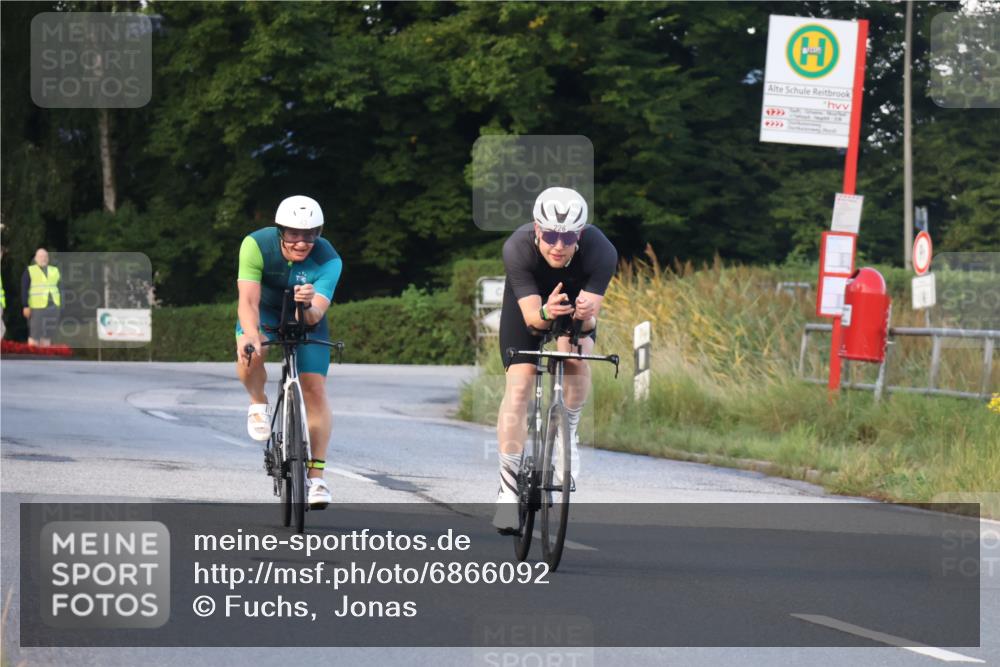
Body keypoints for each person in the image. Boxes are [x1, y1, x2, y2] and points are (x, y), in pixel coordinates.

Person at [492, 187, 617, 532]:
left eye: (567, 237)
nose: (558, 246)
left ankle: (568, 432)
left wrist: (584, 316)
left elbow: (589, 323)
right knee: (519, 386)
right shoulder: (517, 248)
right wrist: (547, 310)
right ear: (536, 229)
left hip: (575, 307)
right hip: (531, 307)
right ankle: (507, 487)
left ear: (580, 234)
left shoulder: (601, 251)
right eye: (549, 236)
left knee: (576, 358)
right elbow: (533, 320)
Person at [235, 195, 343, 508]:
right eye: (294, 234)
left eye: (310, 234)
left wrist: (306, 304)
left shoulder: (328, 259)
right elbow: (248, 302)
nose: (302, 242)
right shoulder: (255, 245)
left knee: (315, 390)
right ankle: (258, 402)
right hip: (264, 313)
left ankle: (317, 479)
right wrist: (249, 336)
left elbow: (313, 317)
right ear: (281, 231)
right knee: (250, 351)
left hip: (306, 318)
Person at [21, 248, 61, 347]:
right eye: (40, 256)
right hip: (36, 307)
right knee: (35, 332)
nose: (43, 258)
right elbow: (24, 288)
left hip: (53, 307)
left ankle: (45, 356)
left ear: (48, 258)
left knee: (48, 333)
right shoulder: (30, 270)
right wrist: (25, 305)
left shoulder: (55, 270)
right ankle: (33, 356)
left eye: (45, 256)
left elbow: (60, 288)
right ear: (35, 258)